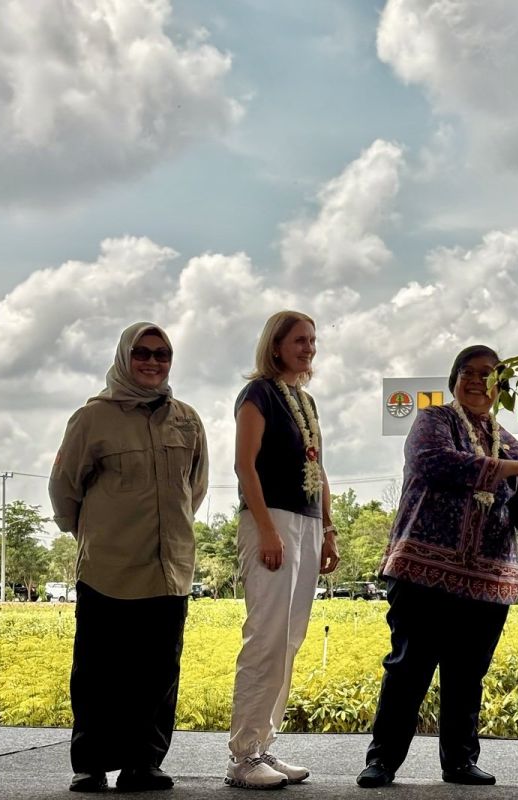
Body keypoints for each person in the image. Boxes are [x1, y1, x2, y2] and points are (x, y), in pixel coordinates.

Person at [356, 345, 518, 789]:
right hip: (424, 572)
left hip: (488, 580)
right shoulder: (434, 421)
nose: (478, 380)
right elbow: (437, 463)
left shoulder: (512, 443)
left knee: (467, 676)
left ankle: (460, 762)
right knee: (409, 669)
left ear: (500, 386)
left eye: (489, 374)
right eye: (469, 371)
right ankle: (382, 761)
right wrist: (516, 467)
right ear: (454, 378)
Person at [49, 322, 208, 793]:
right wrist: (94, 532)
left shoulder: (187, 419)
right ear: (124, 357)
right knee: (99, 671)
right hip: (109, 567)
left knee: (158, 672)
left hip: (169, 568)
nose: (153, 362)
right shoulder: (92, 418)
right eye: (143, 353)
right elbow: (64, 489)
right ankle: (91, 763)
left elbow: (194, 489)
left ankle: (144, 763)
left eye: (162, 354)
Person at [225, 310, 340, 790]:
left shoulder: (305, 401)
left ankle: (263, 747)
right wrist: (268, 530)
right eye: (298, 340)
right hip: (269, 521)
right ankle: (242, 756)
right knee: (267, 637)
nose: (308, 348)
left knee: (289, 640)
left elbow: (320, 470)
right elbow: (243, 466)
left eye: (312, 340)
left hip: (308, 525)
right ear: (275, 346)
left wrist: (329, 529)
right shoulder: (259, 394)